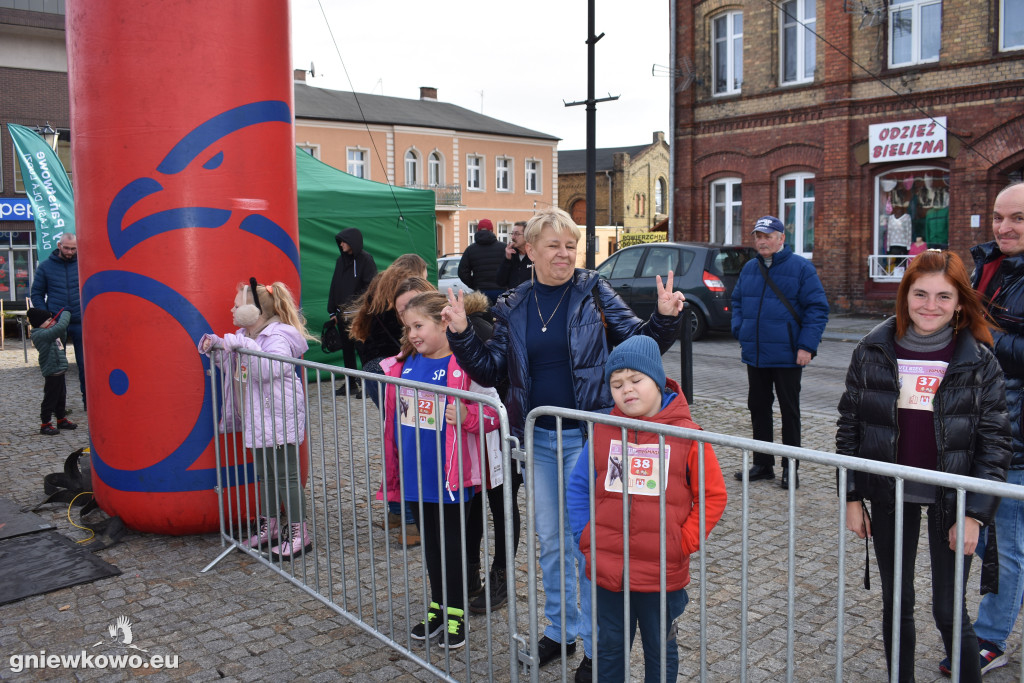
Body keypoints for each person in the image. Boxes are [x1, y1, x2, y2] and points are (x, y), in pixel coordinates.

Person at [442, 207, 685, 682]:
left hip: (587, 438)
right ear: (529, 251)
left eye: (571, 245)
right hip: (538, 439)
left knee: (586, 544)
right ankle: (561, 630)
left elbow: (637, 342)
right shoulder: (513, 304)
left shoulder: (593, 290)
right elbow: (491, 370)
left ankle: (597, 646)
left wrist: (663, 318)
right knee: (551, 543)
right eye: (554, 245)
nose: (565, 253)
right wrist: (461, 335)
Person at [838, 250, 1010, 683]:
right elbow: (851, 427)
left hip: (951, 499)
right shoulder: (873, 347)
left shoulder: (979, 359)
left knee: (949, 609)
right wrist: (852, 495)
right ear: (905, 295)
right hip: (889, 493)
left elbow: (995, 442)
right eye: (920, 294)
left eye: (943, 296)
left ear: (959, 302)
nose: (930, 305)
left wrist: (975, 514)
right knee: (898, 603)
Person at [566, 335, 727, 682]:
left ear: (657, 380)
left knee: (660, 649)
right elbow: (579, 485)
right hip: (609, 568)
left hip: (660, 572)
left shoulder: (688, 436)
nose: (627, 390)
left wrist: (682, 542)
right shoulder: (603, 431)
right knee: (609, 648)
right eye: (617, 384)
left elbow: (712, 496)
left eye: (636, 380)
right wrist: (585, 534)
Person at [377, 291, 500, 650]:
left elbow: (495, 411)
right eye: (408, 327)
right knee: (431, 545)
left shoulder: (464, 366)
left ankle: (457, 612)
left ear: (443, 322)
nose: (412, 333)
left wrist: (468, 416)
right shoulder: (405, 363)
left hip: (451, 477)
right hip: (417, 475)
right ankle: (437, 605)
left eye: (419, 325)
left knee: (454, 546)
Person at [198, 280, 317, 559]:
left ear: (254, 311)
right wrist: (218, 349)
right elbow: (237, 370)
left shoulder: (277, 336)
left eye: (237, 306)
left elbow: (269, 369)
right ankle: (270, 526)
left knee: (286, 476)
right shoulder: (248, 335)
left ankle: (301, 534)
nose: (232, 309)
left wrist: (244, 346)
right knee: (265, 475)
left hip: (278, 416)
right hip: (259, 416)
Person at [963, 181, 1024, 675]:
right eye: (1000, 217)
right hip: (976, 424)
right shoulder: (987, 265)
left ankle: (990, 638)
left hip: (1016, 437)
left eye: (1018, 219)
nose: (1004, 227)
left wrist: (983, 334)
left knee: (1002, 544)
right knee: (986, 537)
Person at [731, 215, 829, 489]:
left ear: (781, 238)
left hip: (788, 353)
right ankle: (763, 464)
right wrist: (740, 327)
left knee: (789, 411)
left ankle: (791, 468)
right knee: (758, 407)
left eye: (768, 236)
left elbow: (817, 309)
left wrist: (807, 346)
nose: (762, 241)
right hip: (757, 352)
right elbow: (737, 300)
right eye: (758, 237)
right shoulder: (750, 268)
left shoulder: (801, 268)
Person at [349, 261, 433, 548]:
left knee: (396, 440)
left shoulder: (378, 295)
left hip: (375, 369)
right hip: (392, 371)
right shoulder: (402, 302)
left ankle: (397, 513)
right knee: (407, 444)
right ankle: (411, 522)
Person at [348, 253, 429, 407]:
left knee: (393, 422)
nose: (425, 283)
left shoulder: (380, 291)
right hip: (391, 367)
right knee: (404, 422)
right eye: (423, 278)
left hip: (371, 366)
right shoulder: (405, 299)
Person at [31, 233, 85, 410]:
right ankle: (58, 408)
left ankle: (89, 403)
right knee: (56, 368)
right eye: (66, 247)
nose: (69, 252)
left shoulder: (84, 264)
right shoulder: (46, 267)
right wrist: (47, 316)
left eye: (73, 248)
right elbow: (36, 293)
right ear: (59, 245)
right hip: (56, 323)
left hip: (80, 321)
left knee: (85, 365)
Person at [327, 227, 377, 397]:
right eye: (339, 241)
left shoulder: (366, 260)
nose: (340, 244)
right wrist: (332, 311)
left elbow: (372, 287)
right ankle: (351, 384)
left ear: (353, 242)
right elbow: (335, 285)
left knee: (364, 350)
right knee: (347, 351)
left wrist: (364, 310)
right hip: (342, 315)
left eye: (343, 241)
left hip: (359, 315)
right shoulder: (340, 261)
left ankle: (370, 386)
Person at [28, 307, 76, 435]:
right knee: (50, 398)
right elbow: (59, 328)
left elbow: (61, 335)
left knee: (61, 397)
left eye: (52, 319)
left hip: (60, 370)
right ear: (40, 323)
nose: (52, 321)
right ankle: (45, 424)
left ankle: (61, 419)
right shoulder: (39, 334)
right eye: (48, 320)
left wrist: (61, 331)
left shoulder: (49, 333)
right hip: (52, 371)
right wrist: (66, 313)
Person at [458, 219, 507, 304]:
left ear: (477, 230)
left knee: (482, 316)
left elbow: (462, 272)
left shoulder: (470, 249)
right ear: (492, 230)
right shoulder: (504, 248)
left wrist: (474, 285)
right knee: (502, 317)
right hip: (501, 290)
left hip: (481, 292)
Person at [496, 220, 533, 290]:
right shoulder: (511, 254)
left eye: (516, 234)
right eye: (512, 234)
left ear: (527, 236)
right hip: (514, 299)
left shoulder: (535, 256)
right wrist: (507, 259)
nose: (513, 237)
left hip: (531, 298)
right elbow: (500, 282)